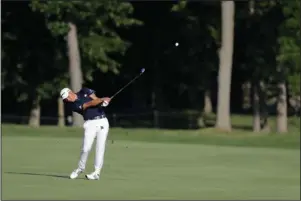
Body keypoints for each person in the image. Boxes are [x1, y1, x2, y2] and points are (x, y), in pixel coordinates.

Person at [60, 87, 111, 180]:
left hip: (103, 121)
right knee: (85, 148)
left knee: (100, 148)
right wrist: (103, 99)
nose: (67, 99)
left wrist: (103, 103)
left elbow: (95, 99)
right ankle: (80, 168)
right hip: (90, 123)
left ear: (70, 92)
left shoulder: (84, 91)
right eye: (65, 99)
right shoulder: (72, 105)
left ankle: (97, 172)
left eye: (67, 97)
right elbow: (89, 104)